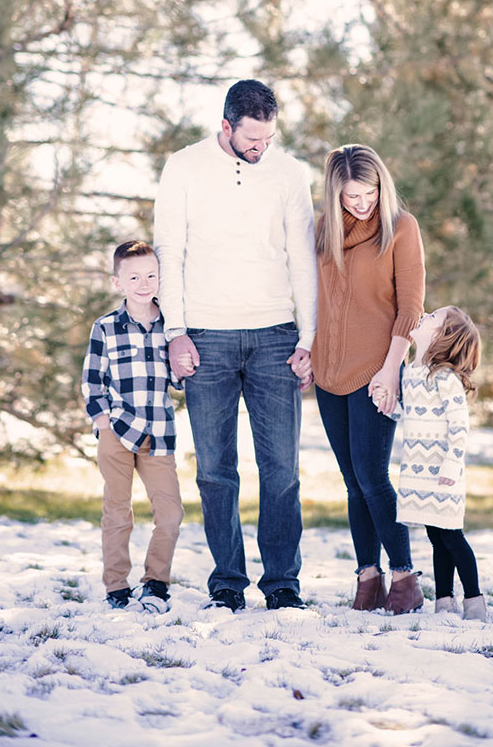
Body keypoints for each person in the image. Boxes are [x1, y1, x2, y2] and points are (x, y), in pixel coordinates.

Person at [153, 79, 317, 612]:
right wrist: (175, 331)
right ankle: (226, 582)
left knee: (281, 470)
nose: (261, 148)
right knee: (215, 471)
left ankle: (282, 584)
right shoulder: (183, 167)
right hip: (205, 337)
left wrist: (309, 337)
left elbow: (303, 257)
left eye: (269, 138)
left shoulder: (289, 173)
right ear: (225, 126)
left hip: (276, 336)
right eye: (252, 139)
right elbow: (169, 250)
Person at [310, 144, 426, 614]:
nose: (361, 204)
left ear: (382, 185)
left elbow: (411, 306)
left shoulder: (401, 227)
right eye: (350, 196)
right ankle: (367, 577)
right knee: (352, 482)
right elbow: (314, 297)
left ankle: (405, 578)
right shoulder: (323, 231)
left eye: (369, 193)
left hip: (377, 371)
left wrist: (391, 370)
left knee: (373, 477)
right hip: (328, 372)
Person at [81, 240, 183, 613]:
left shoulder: (171, 326)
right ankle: (116, 587)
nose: (144, 284)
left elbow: (179, 379)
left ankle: (155, 582)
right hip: (117, 431)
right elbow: (92, 380)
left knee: (170, 514)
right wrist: (103, 422)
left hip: (158, 432)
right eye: (134, 277)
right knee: (118, 512)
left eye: (151, 276)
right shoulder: (105, 327)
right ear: (117, 282)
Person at [391, 305, 487, 621]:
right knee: (435, 537)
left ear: (441, 336)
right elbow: (410, 412)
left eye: (433, 317)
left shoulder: (444, 378)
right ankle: (444, 601)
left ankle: (474, 601)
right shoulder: (411, 372)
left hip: (444, 470)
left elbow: (460, 425)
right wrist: (389, 405)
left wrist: (451, 463)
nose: (424, 315)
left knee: (451, 536)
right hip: (419, 471)